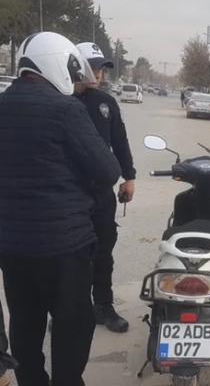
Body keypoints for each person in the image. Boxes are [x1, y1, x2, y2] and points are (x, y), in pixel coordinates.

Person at [0, 31, 121, 386]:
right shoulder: (65, 109)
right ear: (55, 64)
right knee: (74, 322)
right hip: (63, 245)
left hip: (12, 245)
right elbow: (107, 170)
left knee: (24, 320)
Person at [73, 42, 136, 333]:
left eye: (100, 68)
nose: (98, 74)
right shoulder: (62, 100)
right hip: (70, 194)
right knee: (72, 255)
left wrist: (129, 176)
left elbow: (120, 142)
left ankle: (103, 305)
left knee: (103, 252)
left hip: (102, 194)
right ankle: (71, 308)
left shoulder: (106, 103)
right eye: (93, 67)